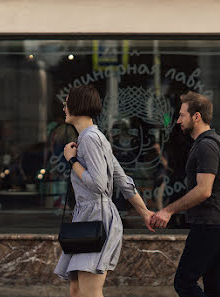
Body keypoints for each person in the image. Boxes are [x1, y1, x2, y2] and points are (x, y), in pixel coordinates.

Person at [54, 85, 155, 297]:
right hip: (89, 217)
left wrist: (72, 160)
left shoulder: (90, 138)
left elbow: (99, 185)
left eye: (67, 103)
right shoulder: (94, 137)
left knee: (89, 291)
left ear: (77, 105)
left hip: (95, 218)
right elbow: (121, 178)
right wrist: (145, 212)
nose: (64, 107)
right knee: (76, 290)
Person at [150, 91, 220, 297]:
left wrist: (168, 210)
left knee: (184, 282)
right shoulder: (218, 143)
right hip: (218, 224)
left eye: (182, 115)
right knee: (215, 286)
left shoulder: (206, 147)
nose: (178, 120)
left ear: (196, 116)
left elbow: (204, 190)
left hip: (208, 226)